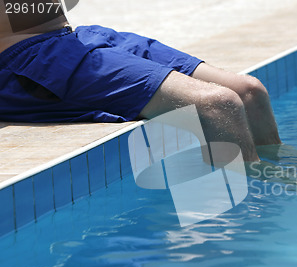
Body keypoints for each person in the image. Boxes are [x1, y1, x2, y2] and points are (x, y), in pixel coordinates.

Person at [0, 0, 281, 162]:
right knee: (219, 104)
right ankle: (252, 215)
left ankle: (279, 173)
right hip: (33, 62)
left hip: (73, 38)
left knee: (248, 92)